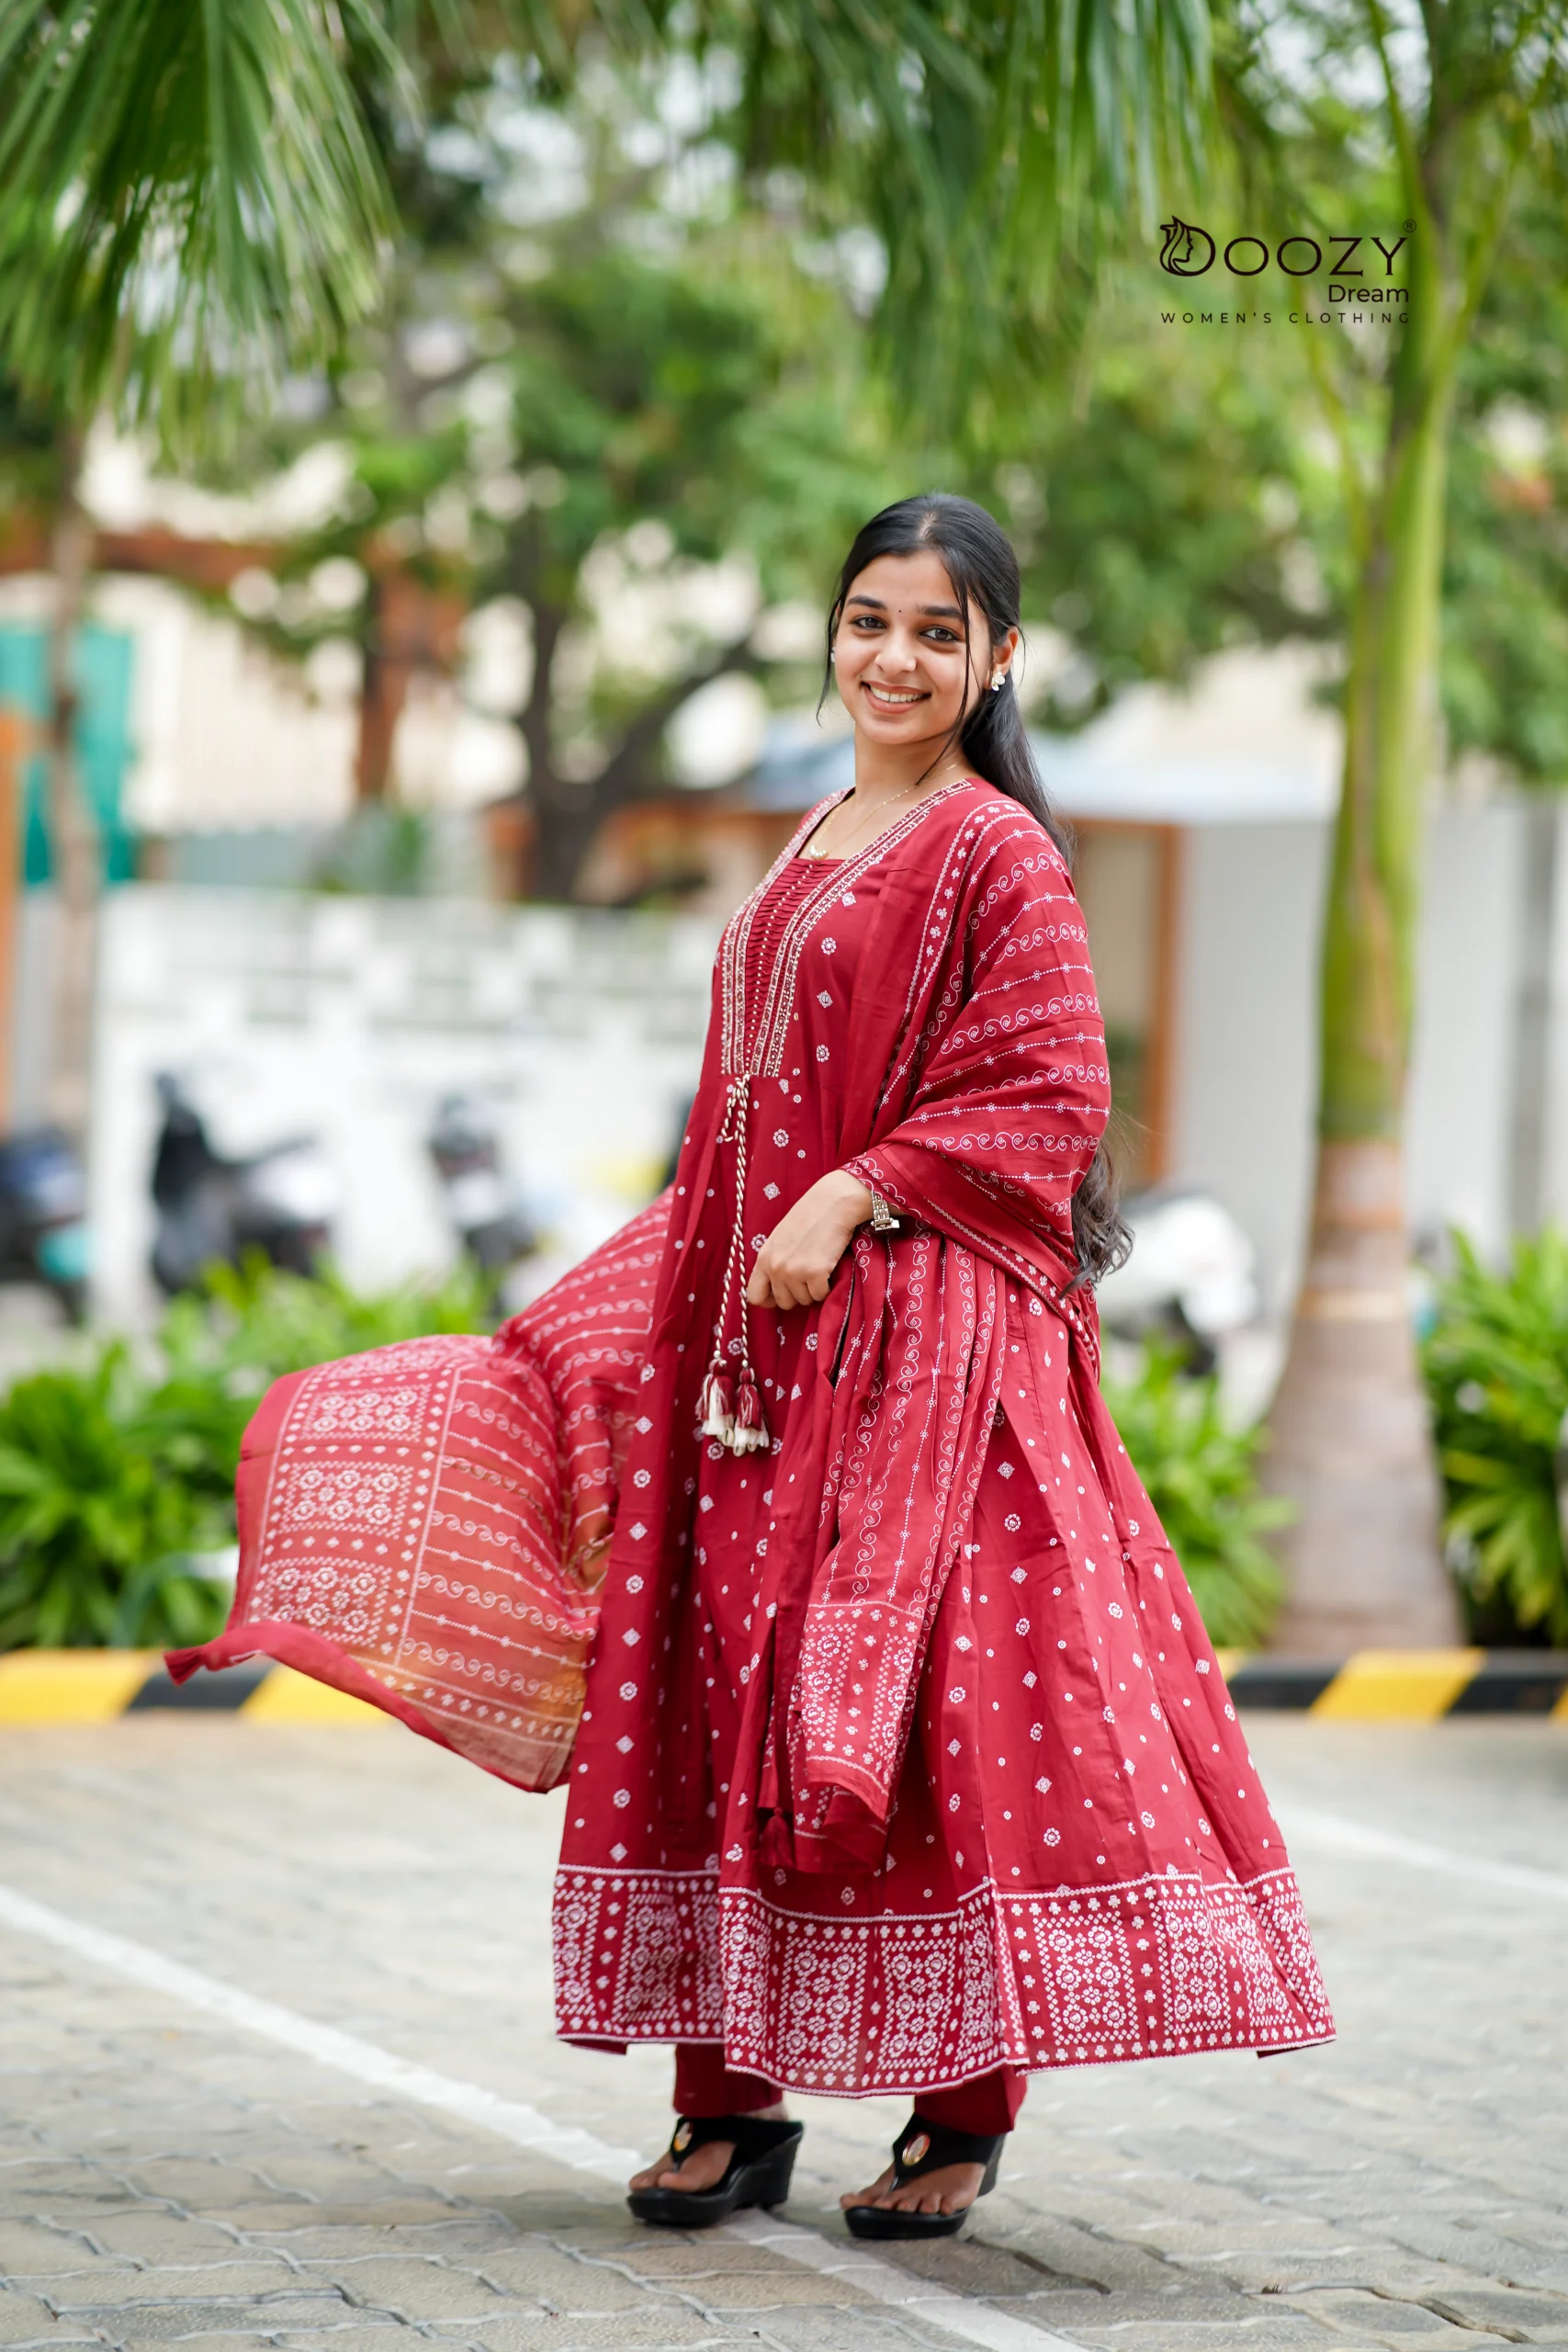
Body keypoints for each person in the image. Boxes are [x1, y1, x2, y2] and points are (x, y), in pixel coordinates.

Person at [172, 492, 1332, 2241]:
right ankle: (727, 2100)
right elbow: (742, 1105)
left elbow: (1048, 1093)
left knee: (924, 1717)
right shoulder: (815, 834)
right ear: (831, 632)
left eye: (936, 632)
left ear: (997, 659)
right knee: (717, 1694)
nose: (894, 658)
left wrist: (860, 1191)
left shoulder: (995, 851)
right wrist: (668, 1271)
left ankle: (962, 2111)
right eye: (870, 620)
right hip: (752, 1354)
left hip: (925, 1360)